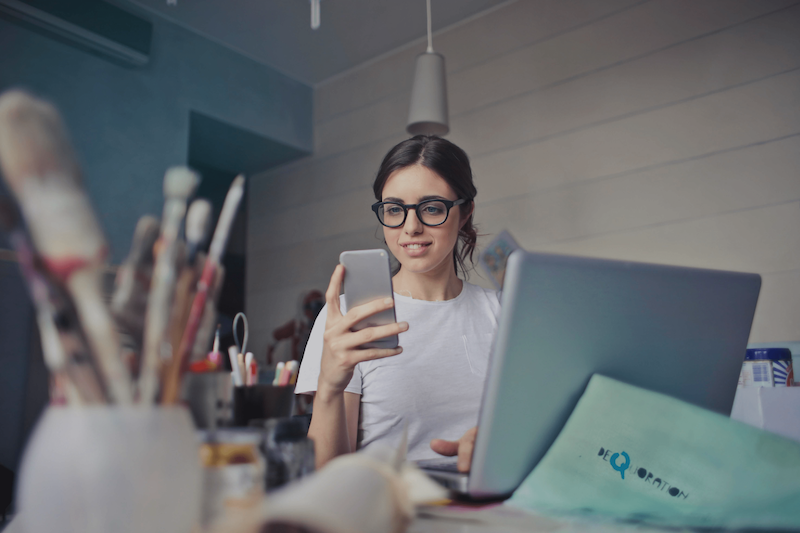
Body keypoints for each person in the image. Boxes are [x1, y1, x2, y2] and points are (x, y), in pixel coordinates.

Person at [295, 135, 500, 471]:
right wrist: (330, 387)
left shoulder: (503, 313)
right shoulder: (349, 317)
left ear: (464, 213)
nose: (411, 227)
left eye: (431, 208)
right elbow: (327, 476)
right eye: (394, 210)